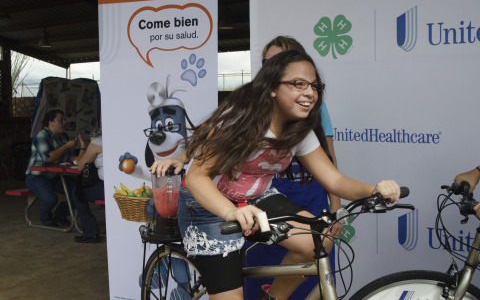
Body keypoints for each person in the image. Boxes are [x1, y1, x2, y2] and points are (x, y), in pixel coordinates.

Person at [151, 50, 401, 300]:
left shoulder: (301, 132)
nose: (310, 92)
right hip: (208, 205)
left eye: (314, 85)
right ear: (271, 88)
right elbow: (196, 177)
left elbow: (334, 180)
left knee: (319, 241)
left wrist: (374, 189)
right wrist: (230, 212)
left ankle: (272, 298)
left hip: (256, 198)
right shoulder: (239, 121)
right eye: (298, 84)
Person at [244, 36, 343, 299]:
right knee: (260, 279)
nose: (271, 66)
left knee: (311, 274)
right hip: (268, 206)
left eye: (279, 60)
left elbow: (330, 162)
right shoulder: (251, 112)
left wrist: (336, 207)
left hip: (308, 201)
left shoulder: (313, 108)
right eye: (267, 62)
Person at [25, 109, 78, 227]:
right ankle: (47, 219)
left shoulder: (63, 136)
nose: (64, 122)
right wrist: (66, 146)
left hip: (55, 176)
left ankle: (60, 215)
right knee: (50, 199)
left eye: (64, 120)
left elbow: (68, 156)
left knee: (78, 191)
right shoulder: (41, 136)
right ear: (51, 123)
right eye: (60, 120)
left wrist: (76, 158)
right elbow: (48, 157)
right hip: (37, 177)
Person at [71, 132, 104, 243]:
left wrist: (83, 147)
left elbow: (80, 166)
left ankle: (91, 232)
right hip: (125, 183)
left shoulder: (97, 142)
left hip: (106, 186)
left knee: (77, 193)